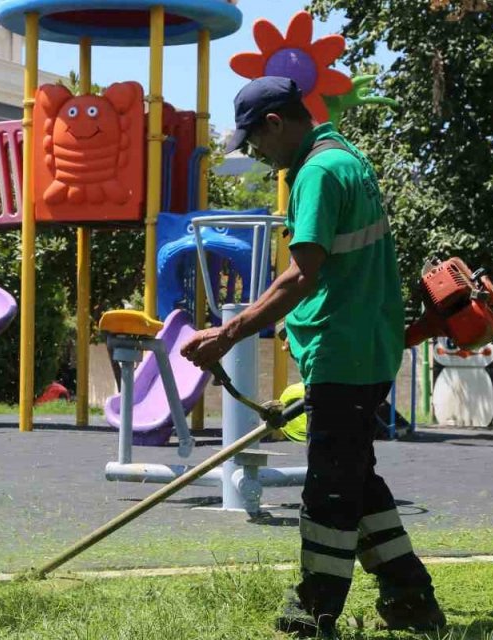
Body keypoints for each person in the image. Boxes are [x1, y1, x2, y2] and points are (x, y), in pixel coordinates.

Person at [181, 77, 445, 638]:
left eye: (255, 142)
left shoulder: (318, 173)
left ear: (275, 123)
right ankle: (410, 598)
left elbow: (302, 274)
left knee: (329, 488)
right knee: (356, 478)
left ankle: (312, 610)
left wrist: (228, 334)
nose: (258, 155)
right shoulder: (347, 158)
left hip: (341, 351)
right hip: (365, 347)